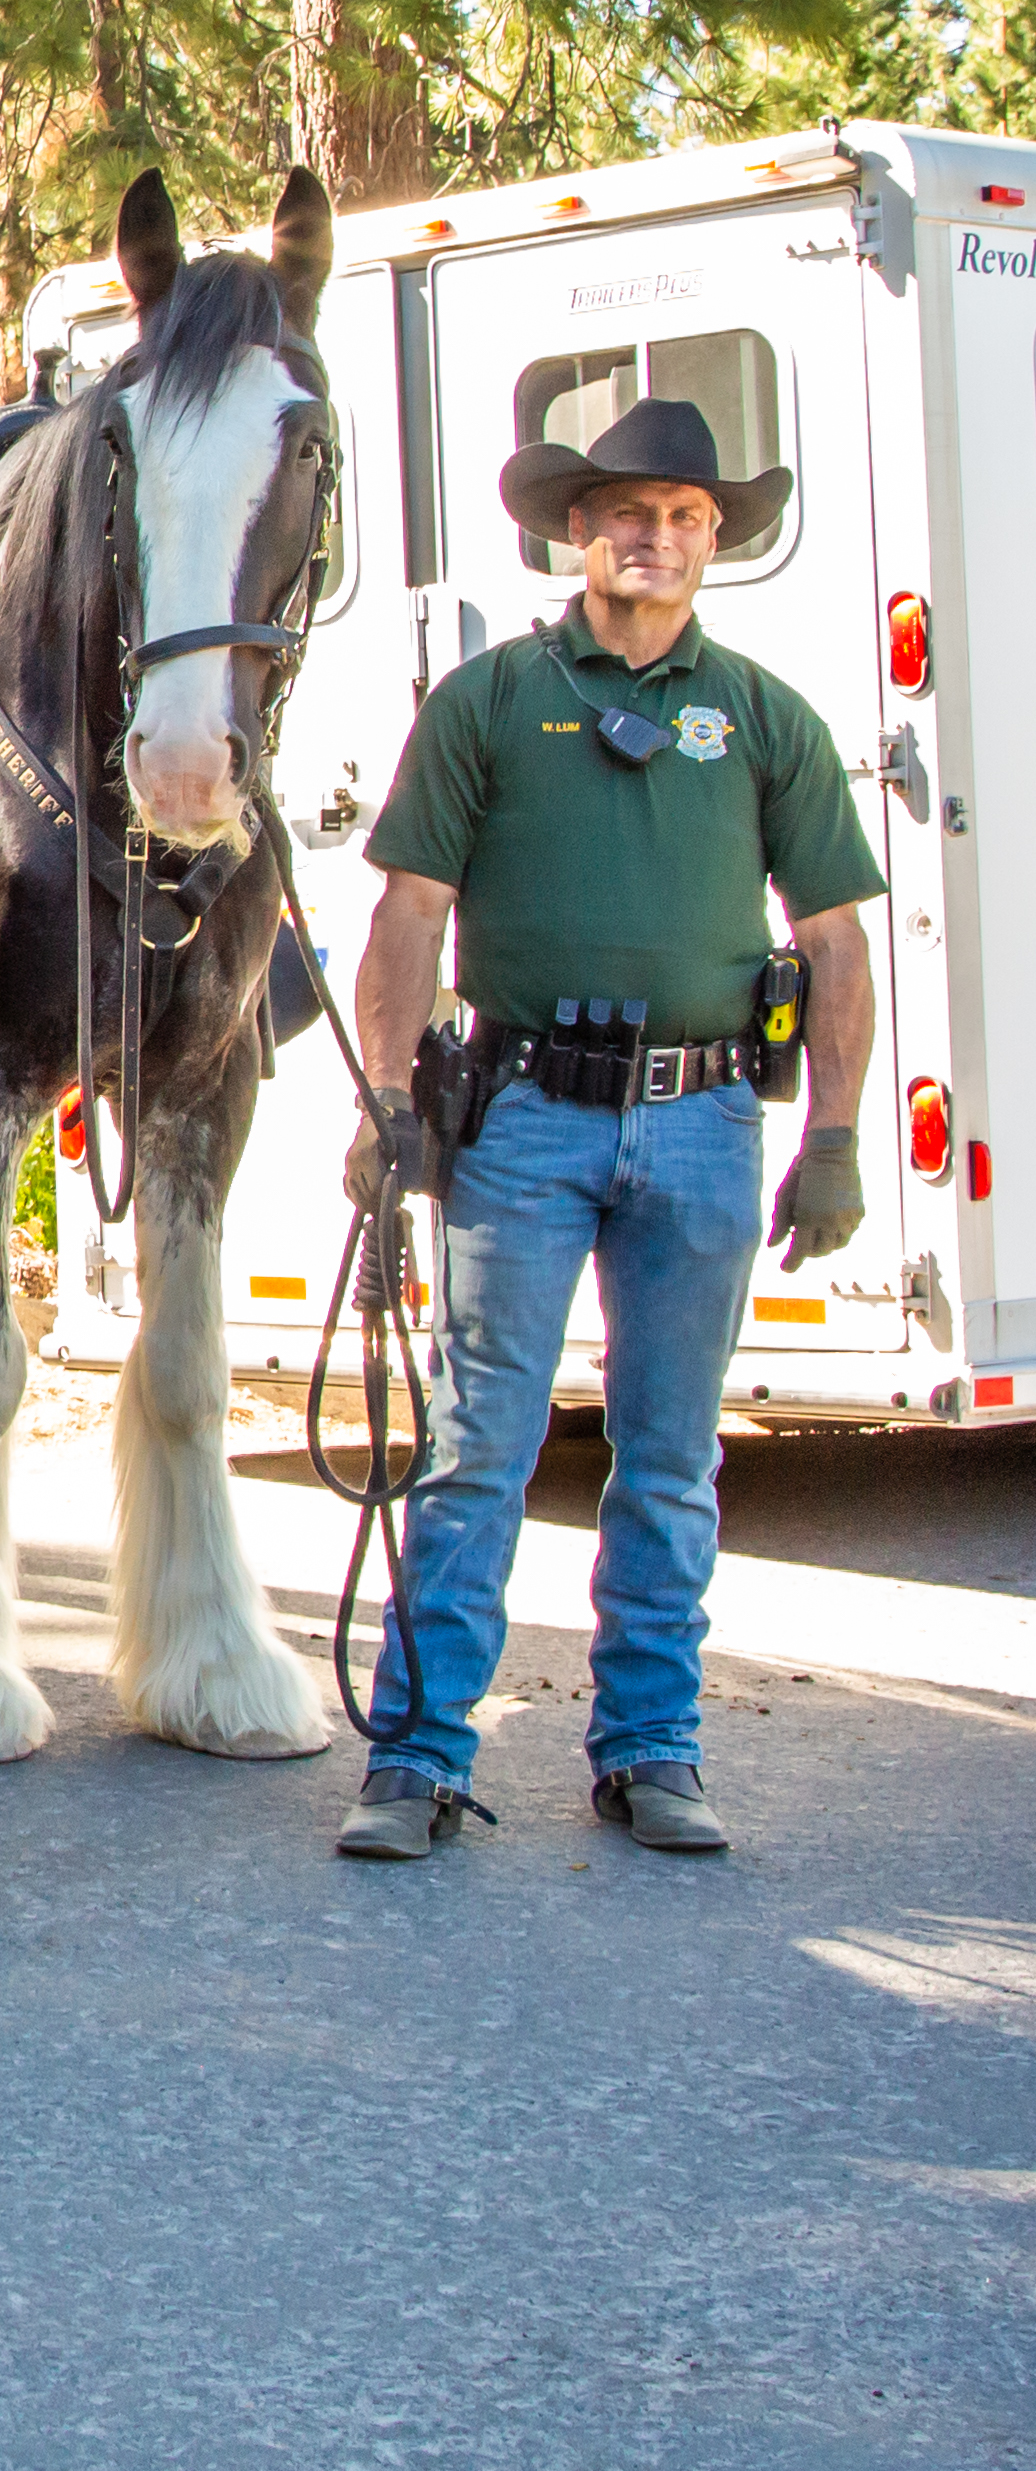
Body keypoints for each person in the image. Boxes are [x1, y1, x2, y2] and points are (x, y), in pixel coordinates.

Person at [336, 396, 881, 1862]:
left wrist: (833, 1135)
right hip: (520, 1121)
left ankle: (652, 1752)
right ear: (575, 528)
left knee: (670, 1455)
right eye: (630, 511)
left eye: (689, 517)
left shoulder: (764, 714)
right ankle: (420, 1758)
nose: (658, 536)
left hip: (703, 1124)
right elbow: (409, 914)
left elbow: (830, 937)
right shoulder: (494, 700)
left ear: (718, 540)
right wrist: (388, 1101)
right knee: (478, 1449)